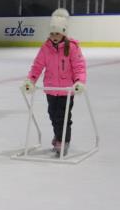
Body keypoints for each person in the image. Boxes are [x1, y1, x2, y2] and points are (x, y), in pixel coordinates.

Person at [22, 8, 87, 155]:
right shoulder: (46, 48)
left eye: (57, 33)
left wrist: (79, 82)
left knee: (63, 117)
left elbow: (79, 67)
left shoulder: (72, 47)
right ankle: (58, 136)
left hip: (66, 91)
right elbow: (37, 66)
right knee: (52, 114)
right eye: (52, 33)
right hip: (51, 89)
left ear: (64, 33)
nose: (54, 36)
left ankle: (63, 141)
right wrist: (30, 80)